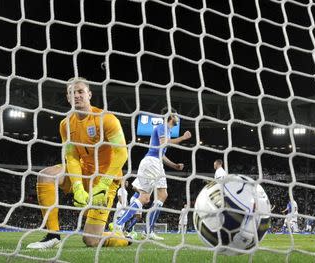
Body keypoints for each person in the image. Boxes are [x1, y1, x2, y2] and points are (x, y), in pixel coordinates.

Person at [27, 78, 129, 249]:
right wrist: (77, 187)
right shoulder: (65, 124)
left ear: (89, 94)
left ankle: (123, 237)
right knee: (46, 175)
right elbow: (72, 157)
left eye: (80, 91)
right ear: (67, 98)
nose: (76, 95)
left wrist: (103, 183)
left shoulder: (107, 119)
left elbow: (122, 153)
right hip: (82, 172)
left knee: (91, 241)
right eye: (72, 93)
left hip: (106, 180)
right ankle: (53, 235)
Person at [113, 107, 192, 240]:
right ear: (171, 116)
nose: (178, 117)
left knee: (147, 198)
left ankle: (125, 226)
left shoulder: (167, 130)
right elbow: (163, 143)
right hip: (152, 163)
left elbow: (161, 154)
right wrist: (182, 138)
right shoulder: (163, 126)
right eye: (176, 115)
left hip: (153, 162)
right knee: (158, 195)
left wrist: (174, 166)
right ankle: (137, 228)